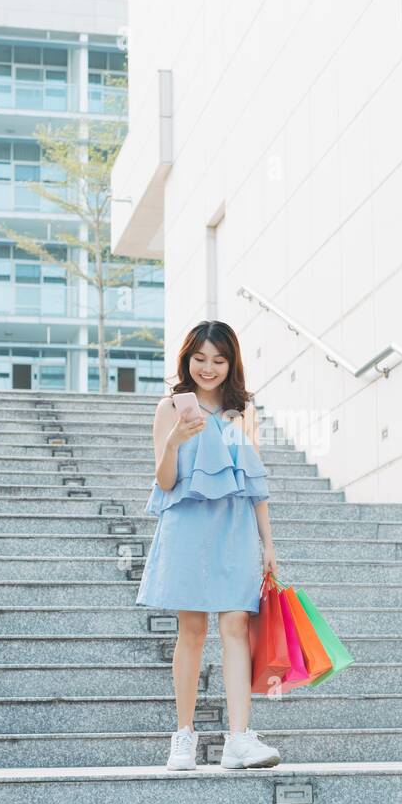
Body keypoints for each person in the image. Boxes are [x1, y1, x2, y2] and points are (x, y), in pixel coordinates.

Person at [136, 319, 282, 771]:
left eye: (219, 360)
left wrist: (268, 544)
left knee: (236, 624)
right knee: (192, 630)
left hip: (236, 526)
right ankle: (183, 735)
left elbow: (253, 483)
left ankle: (239, 738)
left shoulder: (242, 412)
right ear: (187, 358)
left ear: (231, 362)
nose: (208, 368)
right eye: (200, 359)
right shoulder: (171, 407)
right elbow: (164, 481)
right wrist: (176, 440)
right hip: (187, 525)